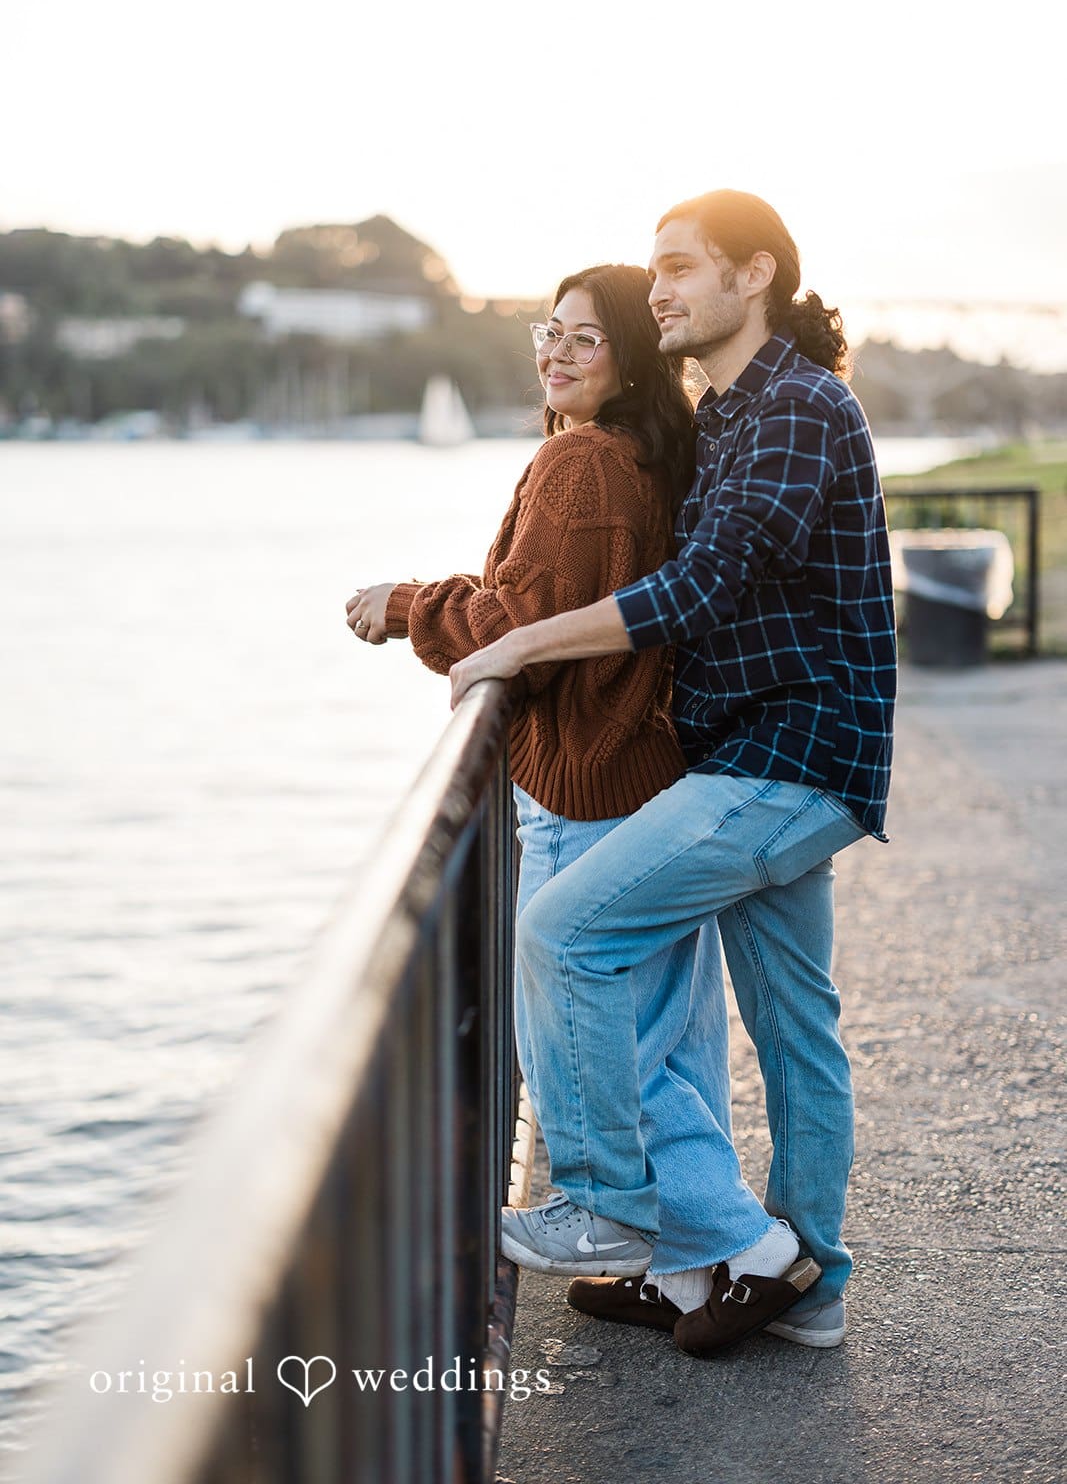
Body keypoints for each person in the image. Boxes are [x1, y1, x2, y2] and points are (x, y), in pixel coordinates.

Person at [449, 191, 897, 1357]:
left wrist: (513, 644)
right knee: (792, 1030)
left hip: (788, 762)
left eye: (680, 268)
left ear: (754, 276)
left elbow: (696, 589)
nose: (656, 292)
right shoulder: (727, 413)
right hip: (756, 756)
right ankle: (802, 1285)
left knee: (563, 933)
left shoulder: (798, 406)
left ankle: (608, 1205)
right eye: (652, 272)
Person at [346, 263, 753, 1279]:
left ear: (630, 358)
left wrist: (407, 606)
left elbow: (516, 626)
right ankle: (692, 1275)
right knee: (665, 1046)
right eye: (548, 332)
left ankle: (749, 1251)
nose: (555, 354)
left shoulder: (579, 463)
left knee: (593, 1045)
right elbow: (551, 600)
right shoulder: (655, 453)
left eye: (584, 338)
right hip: (649, 773)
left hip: (586, 780)